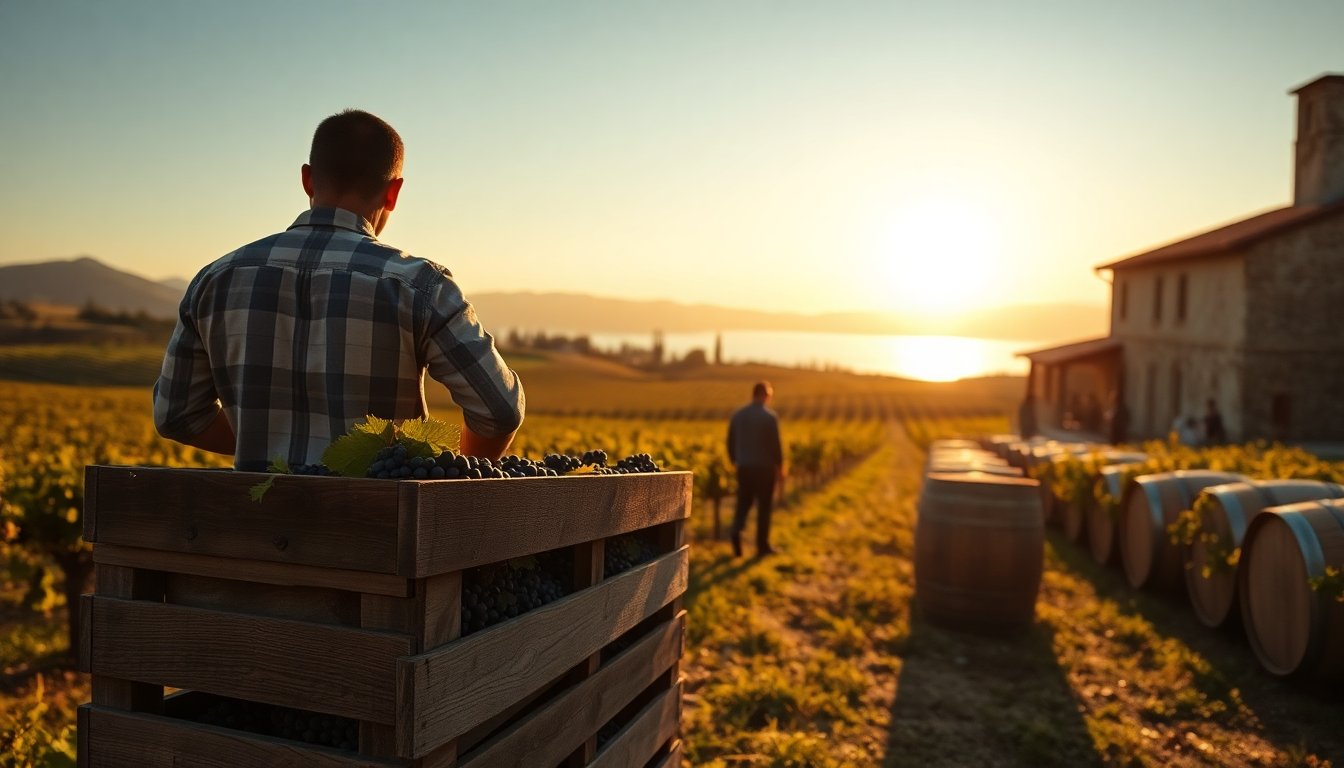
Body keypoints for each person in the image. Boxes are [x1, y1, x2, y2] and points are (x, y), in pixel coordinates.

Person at [153, 110, 524, 469]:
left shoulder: (216, 279)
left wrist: (269, 444)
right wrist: (448, 474)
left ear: (308, 180)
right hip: (382, 529)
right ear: (393, 193)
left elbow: (177, 415)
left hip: (257, 526)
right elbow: (498, 410)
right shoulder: (420, 286)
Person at [726, 381, 784, 558]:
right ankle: (762, 546)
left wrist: (735, 460)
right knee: (764, 507)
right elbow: (775, 446)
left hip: (744, 467)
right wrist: (780, 467)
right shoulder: (769, 417)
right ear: (765, 395)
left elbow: (730, 441)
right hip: (764, 468)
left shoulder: (738, 415)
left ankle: (736, 530)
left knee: (743, 503)